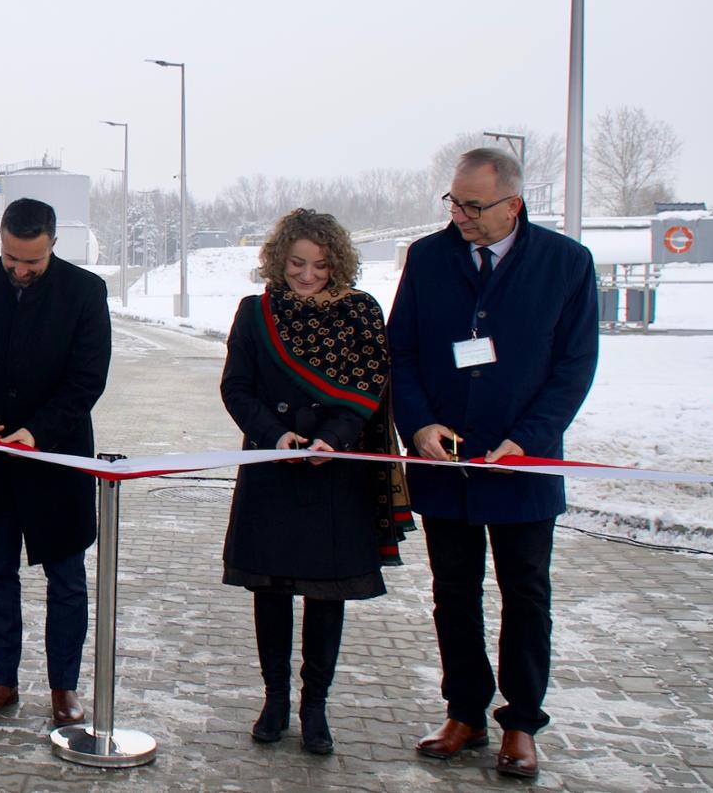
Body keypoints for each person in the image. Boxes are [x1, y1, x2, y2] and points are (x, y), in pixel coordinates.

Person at [391, 148, 599, 779]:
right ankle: (465, 712)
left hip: (521, 469)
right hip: (445, 465)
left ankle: (522, 723)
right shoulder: (427, 258)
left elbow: (575, 367)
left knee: (526, 595)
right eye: (453, 202)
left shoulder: (566, 263)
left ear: (514, 205)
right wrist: (419, 424)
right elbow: (402, 353)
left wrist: (529, 439)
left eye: (474, 206)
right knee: (453, 593)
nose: (460, 216)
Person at [219, 208, 411, 756]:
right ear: (279, 260)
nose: (307, 275)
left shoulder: (361, 311)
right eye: (297, 264)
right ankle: (275, 700)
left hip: (335, 470)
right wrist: (274, 435)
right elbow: (236, 387)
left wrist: (334, 438)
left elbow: (371, 384)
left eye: (321, 266)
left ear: (337, 264)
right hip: (272, 466)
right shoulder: (255, 312)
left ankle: (315, 706)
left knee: (328, 594)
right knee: (271, 589)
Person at [0, 198, 109, 728]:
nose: (19, 269)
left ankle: (64, 688)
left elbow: (87, 379)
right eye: (11, 257)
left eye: (32, 261)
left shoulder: (85, 291)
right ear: (0, 238)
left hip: (57, 461)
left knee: (67, 580)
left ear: (53, 244)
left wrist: (38, 431)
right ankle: (0, 680)